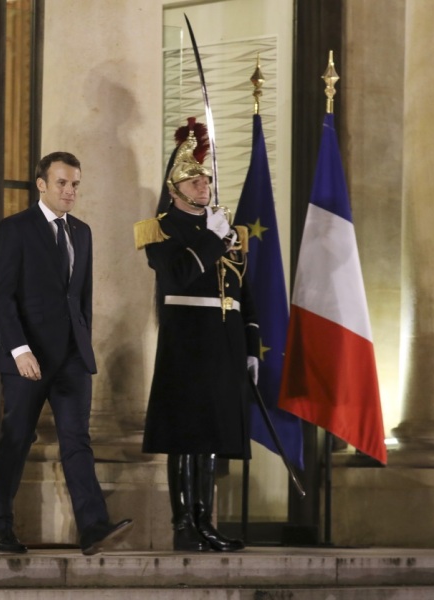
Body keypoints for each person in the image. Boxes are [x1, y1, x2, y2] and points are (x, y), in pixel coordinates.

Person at [0, 151, 132, 555]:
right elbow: (2, 296)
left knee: (76, 440)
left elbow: (79, 298)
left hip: (71, 358)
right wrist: (19, 349)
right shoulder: (15, 229)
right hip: (26, 357)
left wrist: (82, 345)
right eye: (63, 183)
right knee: (16, 438)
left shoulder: (82, 232)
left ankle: (92, 528)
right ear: (42, 184)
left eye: (75, 184)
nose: (70, 191)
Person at [134, 118, 259, 552]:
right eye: (192, 180)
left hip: (224, 342)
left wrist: (251, 341)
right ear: (174, 189)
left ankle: (207, 521)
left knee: (212, 437)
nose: (202, 184)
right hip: (186, 341)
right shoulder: (162, 229)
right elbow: (182, 273)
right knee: (185, 435)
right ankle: (185, 525)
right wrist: (213, 238)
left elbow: (243, 287)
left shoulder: (224, 228)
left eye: (205, 177)